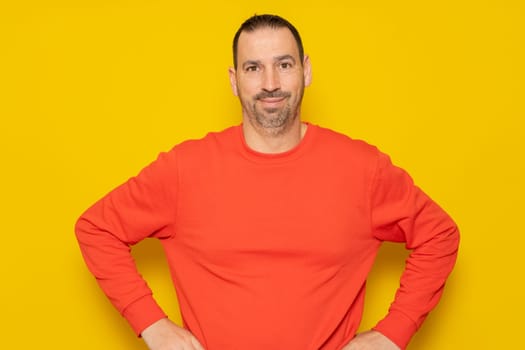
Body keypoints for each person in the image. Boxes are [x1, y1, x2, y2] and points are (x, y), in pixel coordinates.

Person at [75, 14, 459, 350]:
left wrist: (392, 333)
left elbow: (439, 236)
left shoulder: (363, 169)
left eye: (284, 64)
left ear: (306, 70)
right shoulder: (184, 169)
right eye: (253, 67)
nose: (270, 83)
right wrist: (153, 326)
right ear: (234, 79)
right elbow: (97, 229)